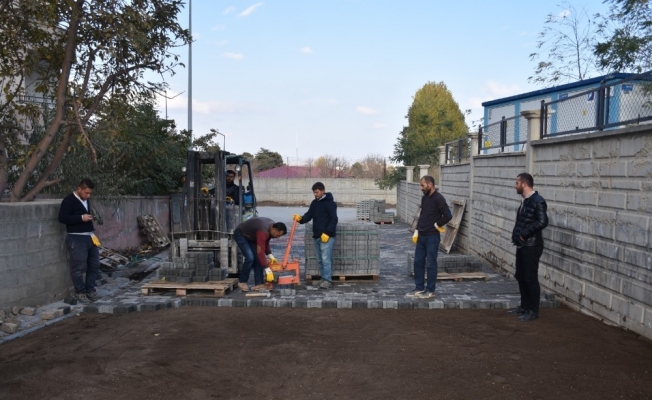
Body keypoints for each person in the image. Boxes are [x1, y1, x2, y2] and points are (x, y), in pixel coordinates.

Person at [509, 172, 548, 322]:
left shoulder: (538, 201)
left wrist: (525, 234)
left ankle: (533, 310)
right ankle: (524, 306)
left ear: (524, 184)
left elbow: (543, 221)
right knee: (520, 276)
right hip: (522, 245)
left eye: (517, 183)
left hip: (532, 245)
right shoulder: (525, 201)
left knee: (530, 277)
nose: (515, 186)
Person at [406, 175, 452, 299]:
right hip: (422, 236)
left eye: (422, 185)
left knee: (431, 264)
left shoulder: (439, 198)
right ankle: (419, 288)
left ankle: (430, 290)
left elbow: (448, 215)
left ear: (430, 184)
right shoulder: (425, 198)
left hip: (432, 237)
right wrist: (417, 230)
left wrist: (438, 224)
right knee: (418, 262)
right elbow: (423, 216)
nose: (421, 188)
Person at [58, 178, 101, 304]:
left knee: (94, 264)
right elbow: (62, 218)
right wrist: (81, 218)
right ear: (79, 189)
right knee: (78, 266)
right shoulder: (69, 200)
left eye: (90, 193)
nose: (88, 196)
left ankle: (90, 290)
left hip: (90, 236)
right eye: (86, 193)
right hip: (76, 237)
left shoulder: (86, 200)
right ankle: (80, 291)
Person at [293, 182, 338, 289]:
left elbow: (334, 219)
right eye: (314, 192)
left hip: (327, 236)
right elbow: (309, 215)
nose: (315, 194)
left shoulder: (330, 203)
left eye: (317, 192)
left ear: (323, 191)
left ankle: (327, 280)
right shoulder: (314, 203)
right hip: (317, 235)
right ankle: (323, 278)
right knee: (320, 260)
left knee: (326, 259)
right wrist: (301, 219)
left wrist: (328, 233)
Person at [233, 217, 287, 292]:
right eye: (278, 235)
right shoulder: (263, 231)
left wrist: (269, 254)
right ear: (273, 229)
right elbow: (260, 252)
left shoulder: (271, 227)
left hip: (252, 236)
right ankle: (242, 282)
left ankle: (259, 283)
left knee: (258, 259)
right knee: (250, 258)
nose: (278, 237)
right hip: (241, 234)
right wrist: (267, 269)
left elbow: (266, 241)